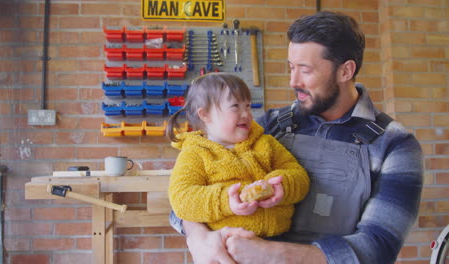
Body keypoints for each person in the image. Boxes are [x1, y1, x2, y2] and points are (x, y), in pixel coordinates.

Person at [169, 11, 423, 264]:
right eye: (291, 68)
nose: (293, 81)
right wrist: (199, 237)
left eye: (306, 70)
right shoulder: (268, 126)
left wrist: (271, 255)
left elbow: (378, 247)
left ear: (346, 71)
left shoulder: (395, 146)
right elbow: (183, 201)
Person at [166, 72, 309, 238]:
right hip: (228, 245)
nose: (246, 114)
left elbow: (299, 175)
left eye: (247, 106)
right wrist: (228, 200)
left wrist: (281, 186)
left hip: (280, 241)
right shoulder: (195, 153)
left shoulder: (265, 143)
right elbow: (182, 199)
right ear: (205, 114)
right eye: (235, 106)